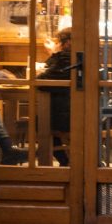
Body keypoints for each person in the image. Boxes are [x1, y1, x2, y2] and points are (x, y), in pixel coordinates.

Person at [38, 27, 74, 166]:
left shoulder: (65, 59)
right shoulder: (76, 57)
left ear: (67, 43)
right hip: (80, 113)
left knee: (40, 121)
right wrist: (54, 54)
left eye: (59, 41)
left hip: (68, 117)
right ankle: (66, 161)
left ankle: (64, 162)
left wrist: (54, 53)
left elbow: (42, 81)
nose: (57, 44)